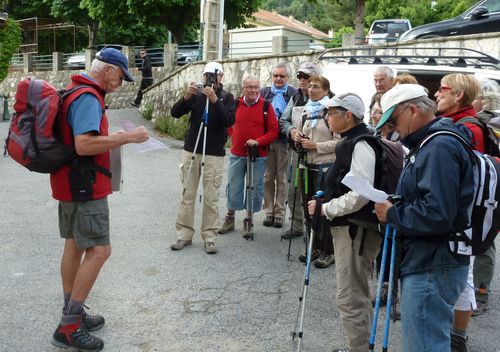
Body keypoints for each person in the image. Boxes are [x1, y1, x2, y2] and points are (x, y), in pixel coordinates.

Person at [50, 47, 149, 351]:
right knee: (100, 250)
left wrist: (115, 136)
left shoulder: (73, 90)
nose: (120, 83)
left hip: (70, 183)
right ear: (107, 69)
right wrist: (127, 137)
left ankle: (73, 312)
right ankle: (68, 326)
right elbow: (84, 144)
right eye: (120, 76)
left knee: (75, 245)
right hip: (85, 186)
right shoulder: (89, 97)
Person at [374, 84, 474, 352]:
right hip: (434, 258)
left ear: (413, 110)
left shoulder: (438, 146)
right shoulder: (433, 142)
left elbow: (437, 213)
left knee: (425, 344)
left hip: (432, 261)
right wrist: (399, 202)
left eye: (394, 120)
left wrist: (393, 213)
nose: (393, 128)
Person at [307, 92, 381, 351]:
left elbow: (361, 193)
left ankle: (359, 349)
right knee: (354, 294)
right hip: (352, 229)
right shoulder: (353, 140)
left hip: (355, 231)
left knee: (350, 297)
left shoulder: (360, 144)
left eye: (331, 113)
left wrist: (327, 208)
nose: (327, 118)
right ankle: (360, 346)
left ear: (348, 116)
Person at [434, 73, 482, 352]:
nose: (437, 94)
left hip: (464, 218)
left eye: (443, 89)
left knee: (464, 278)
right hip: (460, 215)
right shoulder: (457, 124)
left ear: (459, 95)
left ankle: (457, 338)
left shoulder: (469, 129)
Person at [170, 61, 235, 254]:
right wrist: (187, 96)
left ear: (221, 77)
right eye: (206, 75)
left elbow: (228, 121)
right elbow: (175, 113)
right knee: (187, 195)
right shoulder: (196, 95)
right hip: (192, 150)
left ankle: (209, 236)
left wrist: (215, 100)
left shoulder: (227, 97)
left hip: (214, 152)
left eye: (213, 76)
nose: (210, 80)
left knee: (211, 197)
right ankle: (184, 235)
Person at [218, 75, 279, 236]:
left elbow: (274, 130)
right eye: (249, 87)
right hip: (237, 153)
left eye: (256, 87)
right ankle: (230, 218)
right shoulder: (236, 103)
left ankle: (249, 220)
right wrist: (234, 136)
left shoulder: (266, 106)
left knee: (254, 187)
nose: (253, 90)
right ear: (243, 88)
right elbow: (229, 123)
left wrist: (258, 141)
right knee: (234, 185)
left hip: (258, 155)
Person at [291, 75, 339, 268]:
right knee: (308, 208)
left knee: (323, 210)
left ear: (326, 90)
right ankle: (314, 247)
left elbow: (340, 142)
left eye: (316, 87)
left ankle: (329, 251)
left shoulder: (331, 112)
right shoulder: (306, 111)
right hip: (306, 166)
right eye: (309, 86)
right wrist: (298, 139)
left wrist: (315, 145)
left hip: (325, 167)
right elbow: (304, 140)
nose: (311, 89)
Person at [279, 61, 321, 240]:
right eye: (300, 77)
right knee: (293, 190)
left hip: (318, 154)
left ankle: (314, 230)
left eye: (307, 77)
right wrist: (292, 131)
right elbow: (284, 120)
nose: (302, 81)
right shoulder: (296, 97)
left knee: (313, 191)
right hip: (297, 152)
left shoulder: (327, 99)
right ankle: (297, 226)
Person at [471, 78, 500, 317]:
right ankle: (478, 290)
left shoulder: (489, 123)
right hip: (487, 188)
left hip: (490, 189)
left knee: (485, 240)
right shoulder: (484, 121)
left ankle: (481, 292)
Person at [260, 63, 297, 228]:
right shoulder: (264, 92)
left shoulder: (294, 94)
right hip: (267, 140)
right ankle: (269, 211)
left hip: (284, 141)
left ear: (287, 77)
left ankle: (280, 212)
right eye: (276, 76)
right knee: (268, 176)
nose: (278, 79)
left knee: (282, 177)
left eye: (282, 76)